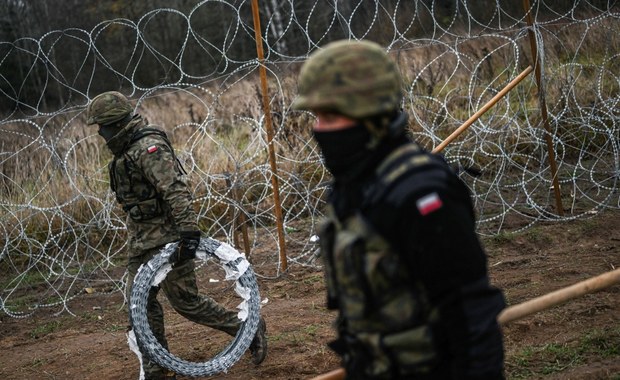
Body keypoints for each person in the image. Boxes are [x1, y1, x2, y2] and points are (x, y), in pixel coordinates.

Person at [292, 40, 506, 379]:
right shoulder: (355, 186)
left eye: (331, 115)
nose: (319, 129)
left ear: (370, 113)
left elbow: (470, 316)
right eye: (315, 116)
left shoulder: (421, 193)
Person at [85, 91, 267, 380]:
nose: (100, 133)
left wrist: (189, 234)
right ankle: (156, 369)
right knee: (139, 308)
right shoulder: (125, 153)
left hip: (169, 239)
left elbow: (175, 191)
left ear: (117, 123)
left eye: (102, 126)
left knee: (186, 303)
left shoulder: (147, 148)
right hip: (141, 242)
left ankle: (247, 327)